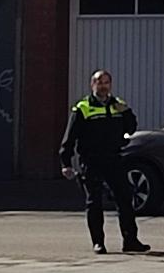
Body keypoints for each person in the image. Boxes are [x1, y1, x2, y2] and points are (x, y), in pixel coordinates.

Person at [59, 70, 148, 255]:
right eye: (99, 82)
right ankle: (98, 242)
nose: (103, 86)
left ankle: (131, 241)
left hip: (114, 159)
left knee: (125, 198)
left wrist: (127, 112)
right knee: (94, 202)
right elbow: (70, 138)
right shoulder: (82, 108)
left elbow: (131, 128)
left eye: (106, 82)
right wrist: (65, 163)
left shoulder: (118, 105)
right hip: (91, 161)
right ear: (92, 84)